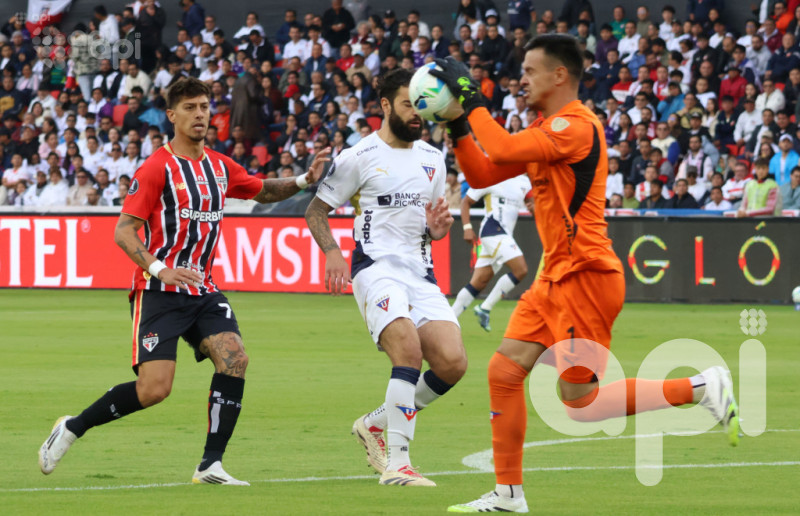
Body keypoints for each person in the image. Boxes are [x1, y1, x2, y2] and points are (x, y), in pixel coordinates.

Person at [431, 35, 739, 513]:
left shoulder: (574, 127)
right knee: (504, 370)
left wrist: (471, 99)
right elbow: (483, 172)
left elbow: (502, 145)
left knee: (580, 402)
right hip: (556, 279)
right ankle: (509, 494)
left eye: (531, 70)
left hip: (585, 277)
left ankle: (701, 387)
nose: (522, 79)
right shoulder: (546, 130)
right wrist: (456, 124)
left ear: (560, 75)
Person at [38, 77, 330, 485]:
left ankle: (210, 465)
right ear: (172, 116)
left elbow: (260, 190)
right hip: (160, 292)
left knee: (235, 358)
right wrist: (160, 268)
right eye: (190, 108)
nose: (199, 115)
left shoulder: (219, 165)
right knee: (154, 389)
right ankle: (73, 427)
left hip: (203, 289)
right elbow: (124, 231)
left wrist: (303, 180)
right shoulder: (157, 167)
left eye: (205, 107)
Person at [305, 69, 467, 487]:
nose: (418, 114)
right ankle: (399, 463)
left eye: (421, 106)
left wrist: (438, 228)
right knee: (408, 353)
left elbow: (433, 225)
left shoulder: (433, 158)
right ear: (384, 106)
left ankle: (375, 422)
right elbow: (316, 211)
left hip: (420, 273)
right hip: (375, 269)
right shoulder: (358, 156)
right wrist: (332, 253)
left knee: (452, 364)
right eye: (409, 104)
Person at [451, 175, 533, 331]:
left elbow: (535, 204)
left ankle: (448, 320)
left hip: (504, 234)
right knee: (521, 269)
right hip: (492, 230)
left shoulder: (524, 181)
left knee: (479, 282)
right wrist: (467, 228)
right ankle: (485, 307)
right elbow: (466, 202)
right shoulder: (491, 176)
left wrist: (536, 209)